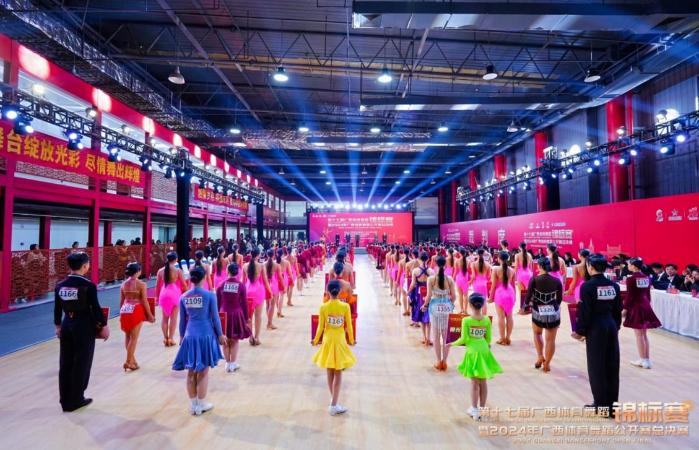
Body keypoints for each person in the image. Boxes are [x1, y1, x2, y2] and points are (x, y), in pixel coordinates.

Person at [54, 252, 107, 412]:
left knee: (65, 362)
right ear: (85, 266)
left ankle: (65, 400)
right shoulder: (88, 285)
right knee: (82, 362)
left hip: (66, 324)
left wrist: (58, 326)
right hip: (83, 326)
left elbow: (57, 309)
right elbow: (95, 308)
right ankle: (77, 398)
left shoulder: (60, 285)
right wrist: (103, 325)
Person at [572, 254, 622, 418]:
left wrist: (580, 331)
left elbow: (585, 312)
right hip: (611, 326)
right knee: (612, 366)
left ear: (590, 267)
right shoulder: (614, 286)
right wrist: (616, 326)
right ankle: (612, 406)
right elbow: (618, 309)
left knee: (596, 367)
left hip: (596, 328)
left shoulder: (587, 286)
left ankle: (601, 405)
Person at [172, 267, 225, 416]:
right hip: (206, 335)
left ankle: (194, 404)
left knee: (191, 371)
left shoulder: (184, 296)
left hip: (190, 335)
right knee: (203, 371)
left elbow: (182, 320)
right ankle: (202, 404)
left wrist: (181, 336)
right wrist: (220, 335)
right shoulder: (210, 296)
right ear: (204, 278)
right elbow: (215, 318)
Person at [449, 293, 502, 421]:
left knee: (474, 382)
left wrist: (451, 344)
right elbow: (488, 339)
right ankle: (482, 409)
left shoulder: (466, 320)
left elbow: (464, 339)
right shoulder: (486, 320)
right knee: (483, 381)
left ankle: (474, 409)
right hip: (484, 350)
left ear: (470, 305)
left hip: (473, 352)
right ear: (482, 305)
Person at [312, 280, 356, 416]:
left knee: (329, 370)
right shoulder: (345, 306)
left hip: (328, 340)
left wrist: (315, 340)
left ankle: (334, 401)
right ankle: (333, 405)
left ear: (327, 292)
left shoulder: (323, 307)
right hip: (340, 341)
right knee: (338, 372)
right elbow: (349, 325)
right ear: (340, 291)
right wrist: (352, 340)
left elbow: (320, 327)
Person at [525, 257, 563, 373]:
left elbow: (528, 296)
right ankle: (547, 364)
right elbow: (559, 299)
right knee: (551, 340)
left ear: (539, 266)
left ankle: (540, 356)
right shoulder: (557, 281)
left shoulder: (534, 279)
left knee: (537, 334)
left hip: (538, 311)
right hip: (553, 312)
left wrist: (525, 307)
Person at [623, 258, 662, 369]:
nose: (628, 266)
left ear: (634, 266)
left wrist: (625, 309)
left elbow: (630, 296)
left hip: (637, 306)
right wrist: (648, 305)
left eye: (629, 264)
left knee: (639, 335)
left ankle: (643, 360)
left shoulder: (631, 279)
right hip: (645, 305)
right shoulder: (646, 277)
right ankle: (646, 359)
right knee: (643, 334)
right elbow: (648, 294)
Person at [422, 256, 456, 371]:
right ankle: (445, 362)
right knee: (447, 337)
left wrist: (424, 305)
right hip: (447, 308)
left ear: (436, 264)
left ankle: (438, 361)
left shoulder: (431, 279)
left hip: (434, 308)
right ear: (445, 265)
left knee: (436, 336)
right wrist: (450, 304)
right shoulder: (449, 279)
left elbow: (428, 296)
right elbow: (454, 296)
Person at [119, 262, 155, 371]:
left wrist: (121, 314)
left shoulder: (123, 284)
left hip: (125, 309)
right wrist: (150, 315)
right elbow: (144, 301)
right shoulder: (142, 284)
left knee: (128, 337)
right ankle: (128, 361)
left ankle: (132, 361)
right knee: (134, 338)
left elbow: (121, 301)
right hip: (136, 309)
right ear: (138, 271)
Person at [216, 263, 251, 373]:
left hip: (223, 314)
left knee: (225, 339)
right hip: (236, 314)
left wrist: (216, 317)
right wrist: (247, 318)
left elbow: (217, 303)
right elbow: (244, 303)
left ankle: (227, 364)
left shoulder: (221, 285)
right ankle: (233, 363)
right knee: (235, 340)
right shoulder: (241, 285)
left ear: (227, 271)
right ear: (237, 272)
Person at [156, 252, 186, 347]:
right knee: (173, 318)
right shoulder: (178, 271)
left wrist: (157, 298)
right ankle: (171, 338)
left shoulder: (160, 271)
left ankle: (165, 338)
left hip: (164, 293)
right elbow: (184, 285)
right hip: (174, 293)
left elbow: (157, 286)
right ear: (176, 259)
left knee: (164, 318)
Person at [243, 248, 271, 346]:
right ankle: (257, 337)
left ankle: (250, 337)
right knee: (258, 316)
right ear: (258, 255)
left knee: (249, 316)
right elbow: (265, 281)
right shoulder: (261, 266)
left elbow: (243, 281)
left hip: (247, 291)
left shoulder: (245, 266)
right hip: (258, 291)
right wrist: (270, 292)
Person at [489, 251, 515, 345]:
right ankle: (508, 338)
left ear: (498, 259)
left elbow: (493, 285)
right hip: (510, 293)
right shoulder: (512, 270)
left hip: (500, 293)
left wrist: (490, 297)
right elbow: (513, 285)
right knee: (509, 316)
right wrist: (514, 297)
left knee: (501, 317)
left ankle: (502, 338)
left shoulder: (495, 269)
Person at [408, 252, 432, 344]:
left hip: (419, 294)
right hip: (429, 294)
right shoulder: (431, 271)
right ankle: (429, 338)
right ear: (428, 259)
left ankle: (424, 337)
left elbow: (413, 284)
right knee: (428, 315)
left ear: (419, 259)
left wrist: (408, 292)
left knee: (421, 314)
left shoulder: (415, 271)